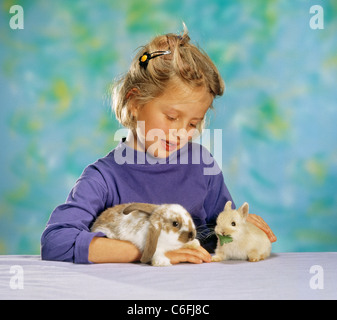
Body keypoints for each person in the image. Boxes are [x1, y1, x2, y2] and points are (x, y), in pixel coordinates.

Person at [41, 25, 276, 264]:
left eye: (193, 123)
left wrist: (240, 230)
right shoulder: (103, 178)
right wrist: (149, 251)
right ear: (134, 103)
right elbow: (56, 243)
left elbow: (219, 238)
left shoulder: (203, 165)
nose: (180, 133)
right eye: (172, 117)